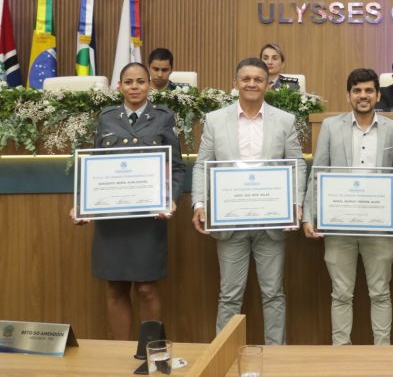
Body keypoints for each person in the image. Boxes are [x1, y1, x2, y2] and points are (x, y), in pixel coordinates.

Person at [191, 57, 306, 345]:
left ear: (267, 84)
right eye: (246, 79)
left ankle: (276, 355)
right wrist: (199, 204)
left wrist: (296, 203)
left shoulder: (284, 120)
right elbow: (203, 164)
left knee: (274, 293)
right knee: (229, 294)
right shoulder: (215, 120)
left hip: (273, 220)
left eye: (258, 79)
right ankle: (224, 355)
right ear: (235, 83)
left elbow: (297, 165)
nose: (252, 83)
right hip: (230, 221)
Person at [70, 62, 185, 340]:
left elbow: (178, 167)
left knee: (147, 288)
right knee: (115, 287)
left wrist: (171, 199)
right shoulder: (106, 118)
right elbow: (94, 168)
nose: (135, 87)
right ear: (119, 86)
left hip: (148, 218)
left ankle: (152, 352)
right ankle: (120, 356)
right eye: (129, 82)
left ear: (150, 85)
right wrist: (81, 203)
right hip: (112, 219)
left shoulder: (163, 118)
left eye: (141, 82)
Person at [302, 68, 393, 345]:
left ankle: (383, 354)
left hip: (379, 226)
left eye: (369, 90)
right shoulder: (331, 127)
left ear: (378, 95)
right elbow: (318, 171)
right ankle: (340, 354)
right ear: (349, 95)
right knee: (341, 293)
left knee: (381, 292)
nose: (363, 95)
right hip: (339, 224)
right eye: (357, 90)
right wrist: (309, 215)